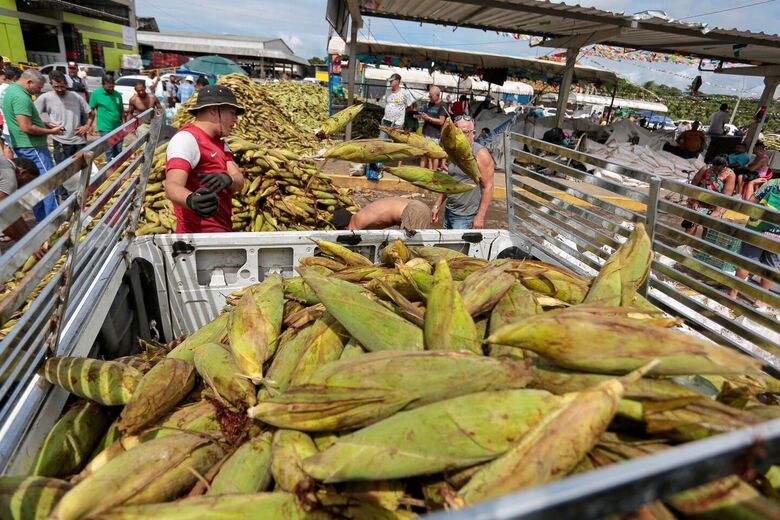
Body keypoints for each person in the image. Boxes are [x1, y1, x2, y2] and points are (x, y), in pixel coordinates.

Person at [165, 85, 245, 233]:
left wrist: (229, 180)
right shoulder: (186, 139)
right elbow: (172, 186)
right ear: (214, 110)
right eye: (232, 113)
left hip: (220, 234)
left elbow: (239, 180)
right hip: (198, 240)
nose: (235, 120)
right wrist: (191, 200)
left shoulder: (220, 142)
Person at [4, 68, 62, 220]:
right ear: (29, 82)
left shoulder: (12, 90)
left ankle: (43, 219)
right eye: (39, 86)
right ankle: (54, 220)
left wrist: (44, 124)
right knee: (49, 183)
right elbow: (26, 127)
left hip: (24, 145)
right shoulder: (20, 97)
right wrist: (52, 132)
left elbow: (25, 121)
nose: (40, 90)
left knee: (34, 184)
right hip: (32, 146)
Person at [431, 115, 495, 229]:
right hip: (449, 211)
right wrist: (437, 205)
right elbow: (450, 182)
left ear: (473, 133)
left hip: (466, 217)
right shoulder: (453, 151)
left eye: (464, 132)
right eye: (456, 132)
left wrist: (480, 217)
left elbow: (488, 187)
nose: (459, 136)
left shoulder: (481, 154)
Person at [728, 177, 780, 310]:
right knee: (770, 266)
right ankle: (760, 300)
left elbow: (751, 202)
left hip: (757, 229)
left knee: (747, 261)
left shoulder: (772, 184)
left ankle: (733, 293)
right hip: (778, 234)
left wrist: (751, 184)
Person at [34, 70, 94, 166]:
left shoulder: (75, 96)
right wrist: (46, 124)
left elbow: (91, 113)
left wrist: (87, 126)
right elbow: (32, 116)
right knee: (63, 171)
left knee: (82, 168)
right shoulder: (45, 98)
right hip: (60, 141)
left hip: (78, 140)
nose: (60, 89)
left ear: (66, 83)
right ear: (51, 84)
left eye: (62, 86)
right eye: (56, 87)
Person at [683, 155, 736, 237]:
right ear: (712, 165)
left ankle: (704, 248)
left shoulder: (730, 175)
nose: (717, 172)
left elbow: (726, 196)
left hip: (717, 204)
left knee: (709, 228)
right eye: (715, 169)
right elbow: (693, 186)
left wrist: (717, 211)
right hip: (698, 199)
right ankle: (686, 245)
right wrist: (693, 200)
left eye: (720, 170)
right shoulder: (705, 169)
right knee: (692, 224)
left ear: (725, 167)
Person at [332, 197, 431, 231]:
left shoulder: (354, 225)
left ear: (345, 228)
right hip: (417, 206)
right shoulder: (360, 215)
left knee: (412, 253)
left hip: (412, 211)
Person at [0, 157, 40, 240]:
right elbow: (7, 211)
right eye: (28, 181)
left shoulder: (4, 163)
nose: (26, 186)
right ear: (23, 173)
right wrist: (31, 240)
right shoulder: (10, 177)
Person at [89, 75, 125, 161]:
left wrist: (124, 124)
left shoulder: (117, 95)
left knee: (119, 148)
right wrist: (90, 125)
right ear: (103, 84)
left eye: (113, 86)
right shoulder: (96, 94)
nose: (111, 89)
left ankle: (118, 167)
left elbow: (121, 110)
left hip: (118, 127)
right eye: (109, 87)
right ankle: (110, 167)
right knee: (109, 149)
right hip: (105, 127)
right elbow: (91, 110)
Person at [378, 73, 413, 138]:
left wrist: (400, 114)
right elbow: (387, 104)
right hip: (386, 120)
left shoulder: (404, 93)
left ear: (397, 81)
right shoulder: (387, 91)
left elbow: (410, 106)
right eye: (390, 80)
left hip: (397, 123)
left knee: (394, 142)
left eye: (392, 80)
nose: (390, 82)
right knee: (382, 140)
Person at [419, 86, 446, 171]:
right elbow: (427, 115)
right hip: (425, 131)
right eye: (429, 95)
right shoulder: (429, 103)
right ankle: (421, 172)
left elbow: (441, 121)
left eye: (431, 96)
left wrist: (429, 119)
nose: (429, 97)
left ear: (437, 95)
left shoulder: (442, 105)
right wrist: (424, 116)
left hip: (435, 134)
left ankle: (434, 175)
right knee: (423, 154)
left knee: (434, 155)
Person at [0, 67, 20, 160]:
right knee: (19, 157)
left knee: (9, 149)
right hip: (16, 129)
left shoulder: (0, 88)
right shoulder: (14, 90)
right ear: (16, 78)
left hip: (6, 127)